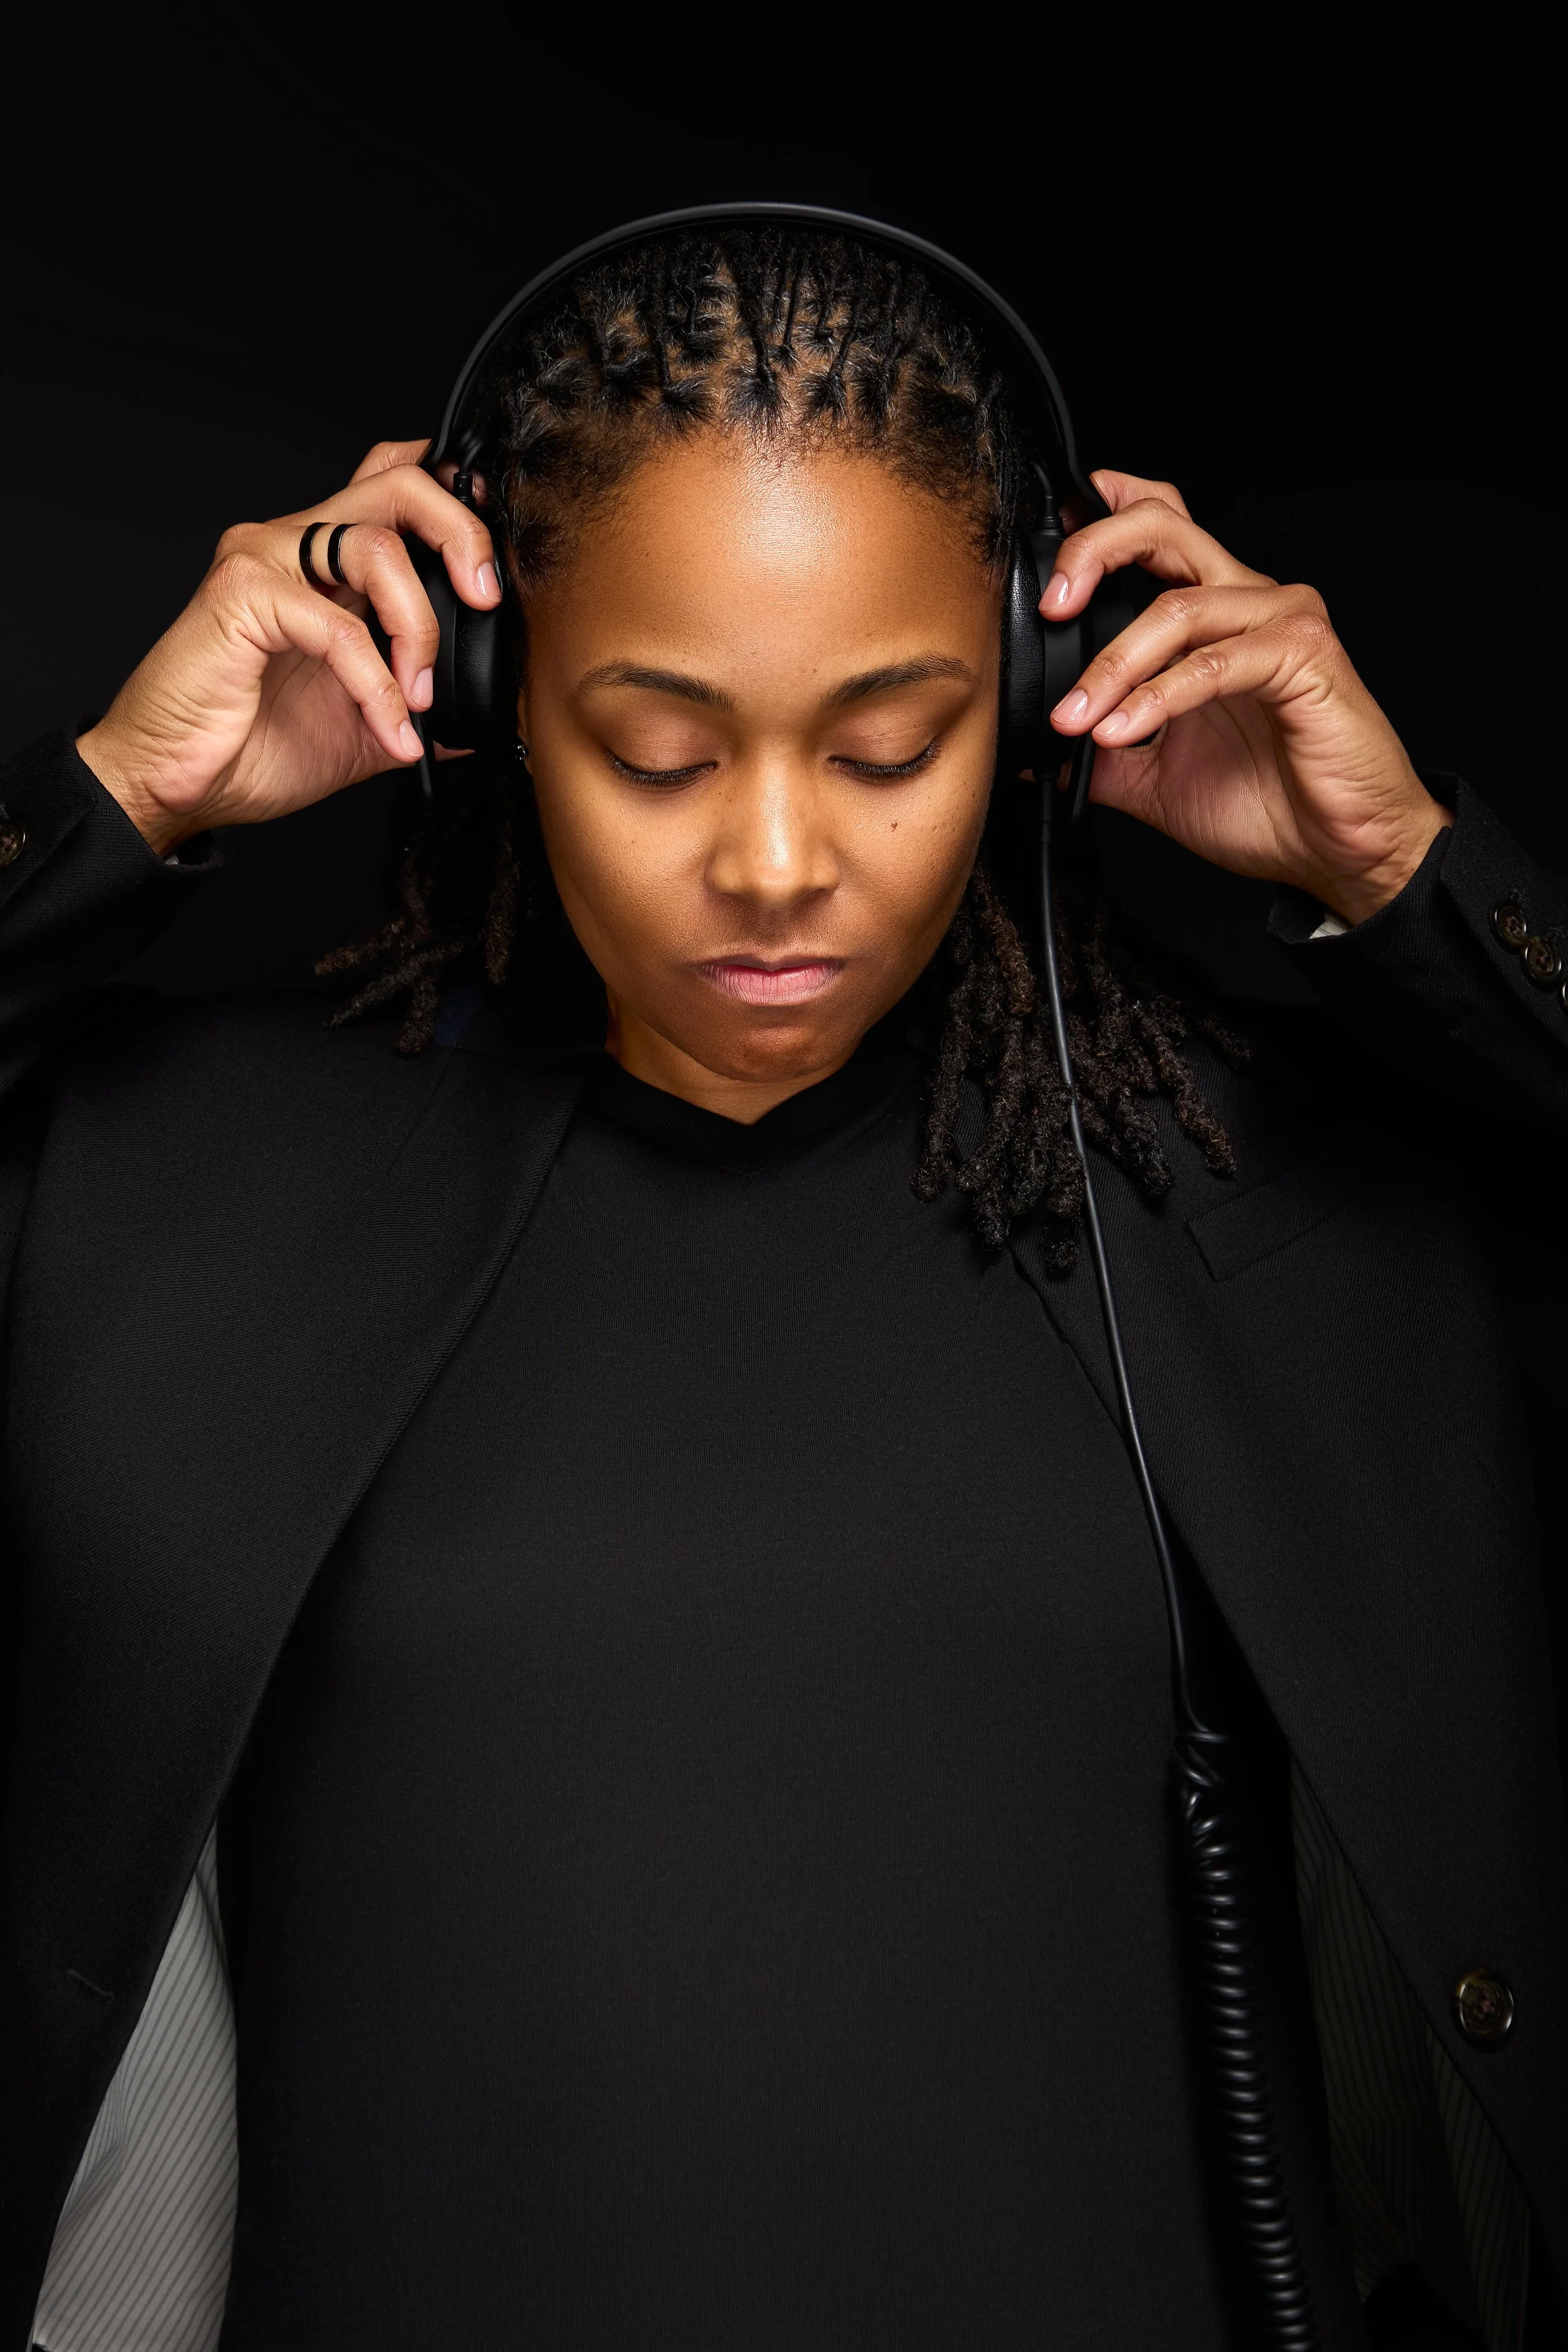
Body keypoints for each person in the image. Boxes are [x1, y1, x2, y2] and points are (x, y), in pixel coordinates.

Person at [1, 224, 1562, 2352]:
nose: (769, 862)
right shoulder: (174, 1178)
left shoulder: (1276, 1199)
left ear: (1024, 703)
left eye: (891, 742)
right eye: (652, 748)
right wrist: (101, 817)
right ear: (482, 703)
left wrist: (1412, 888)